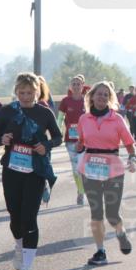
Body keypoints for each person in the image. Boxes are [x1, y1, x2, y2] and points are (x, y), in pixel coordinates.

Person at [0, 72, 62, 270]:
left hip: (35, 171)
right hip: (12, 170)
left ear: (37, 92)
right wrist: (2, 139)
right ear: (16, 92)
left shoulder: (44, 113)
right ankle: (19, 246)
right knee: (15, 215)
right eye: (21, 92)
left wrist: (46, 145)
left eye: (30, 93)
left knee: (29, 217)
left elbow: (58, 137)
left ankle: (27, 269)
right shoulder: (7, 111)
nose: (26, 96)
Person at [75, 81, 136, 265]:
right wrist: (79, 146)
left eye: (105, 94)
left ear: (109, 98)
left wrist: (132, 157)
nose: (101, 97)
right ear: (92, 97)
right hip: (90, 169)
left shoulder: (116, 119)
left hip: (113, 170)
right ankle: (100, 251)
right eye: (99, 94)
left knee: (112, 214)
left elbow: (129, 142)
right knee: (96, 213)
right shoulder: (84, 119)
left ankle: (120, 233)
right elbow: (81, 141)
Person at [58, 75, 89, 206]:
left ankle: (85, 188)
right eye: (74, 84)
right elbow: (60, 119)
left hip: (86, 140)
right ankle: (81, 192)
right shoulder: (65, 101)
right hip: (70, 140)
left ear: (82, 86)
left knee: (84, 167)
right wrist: (58, 131)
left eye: (78, 84)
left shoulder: (88, 101)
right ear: (70, 86)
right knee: (75, 168)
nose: (76, 86)